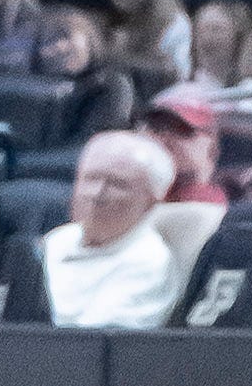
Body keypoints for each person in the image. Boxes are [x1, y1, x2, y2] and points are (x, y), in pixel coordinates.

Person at [36, 131, 186, 326]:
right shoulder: (57, 240)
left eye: (117, 184)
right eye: (91, 179)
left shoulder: (148, 263)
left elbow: (93, 344)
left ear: (150, 202)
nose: (97, 194)